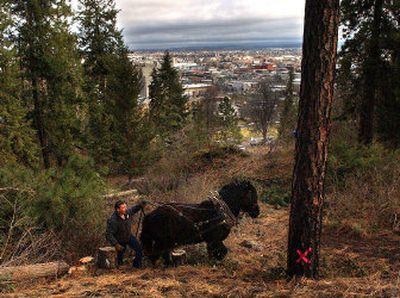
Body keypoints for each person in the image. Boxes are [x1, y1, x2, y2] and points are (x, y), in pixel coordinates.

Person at [106, 199, 146, 268]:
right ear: (118, 209)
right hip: (120, 240)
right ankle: (120, 267)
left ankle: (136, 266)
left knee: (139, 250)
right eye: (123, 207)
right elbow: (109, 234)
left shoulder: (126, 213)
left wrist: (140, 205)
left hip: (128, 236)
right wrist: (116, 244)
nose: (125, 209)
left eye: (125, 207)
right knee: (120, 256)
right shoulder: (113, 220)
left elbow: (133, 209)